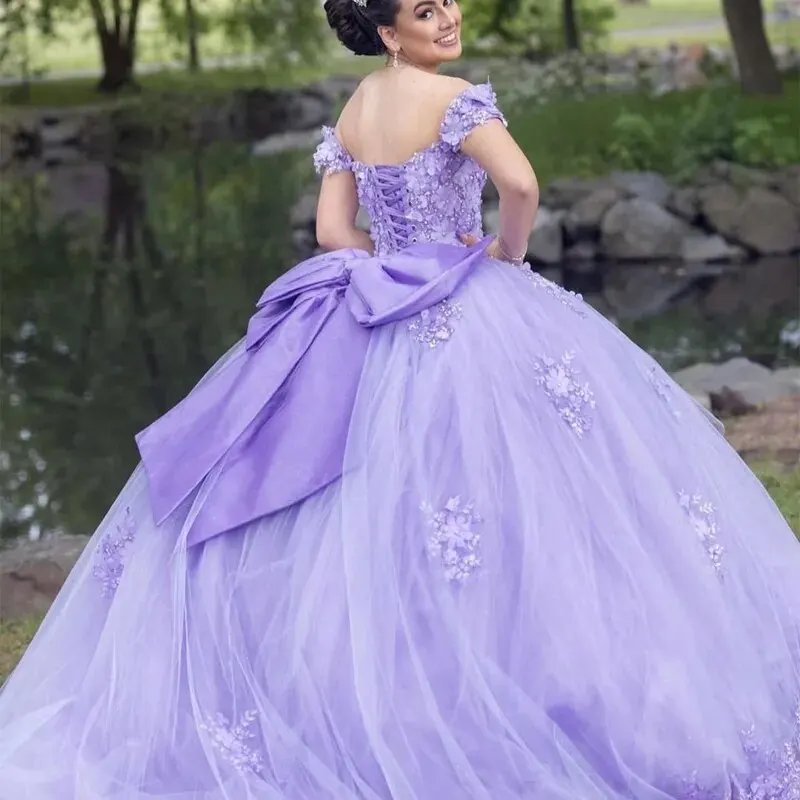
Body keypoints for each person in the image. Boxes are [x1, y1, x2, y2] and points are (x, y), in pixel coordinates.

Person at [1, 0, 798, 797]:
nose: (447, 17)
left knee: (381, 500)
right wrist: (503, 254)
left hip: (372, 313)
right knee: (524, 491)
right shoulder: (453, 101)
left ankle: (397, 687)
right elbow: (519, 182)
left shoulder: (354, 109)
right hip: (469, 301)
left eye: (447, 1)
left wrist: (387, 263)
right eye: (424, 10)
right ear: (389, 32)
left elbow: (330, 234)